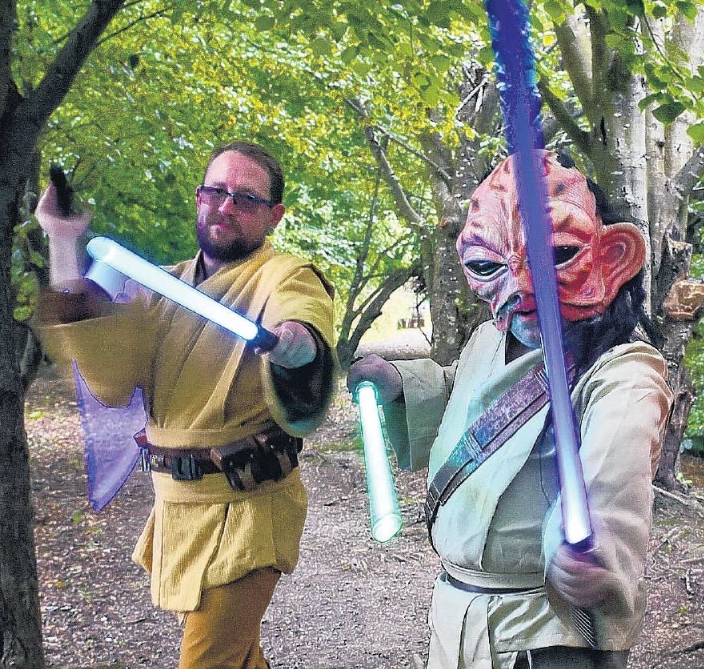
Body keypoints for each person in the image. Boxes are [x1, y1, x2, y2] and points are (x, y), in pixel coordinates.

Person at [347, 150, 671, 669]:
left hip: (543, 633)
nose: (522, 288)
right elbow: (469, 394)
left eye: (556, 256)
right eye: (487, 265)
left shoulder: (622, 370)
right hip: (459, 614)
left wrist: (591, 545)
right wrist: (400, 382)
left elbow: (617, 456)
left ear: (612, 256)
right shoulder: (487, 338)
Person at [33, 141, 337, 669]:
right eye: (215, 191)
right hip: (178, 510)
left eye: (244, 198)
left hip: (248, 511)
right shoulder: (162, 287)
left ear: (274, 216)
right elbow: (109, 375)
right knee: (237, 660)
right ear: (198, 197)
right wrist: (63, 241)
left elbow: (303, 326)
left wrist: (290, 341)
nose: (225, 206)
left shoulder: (285, 275)